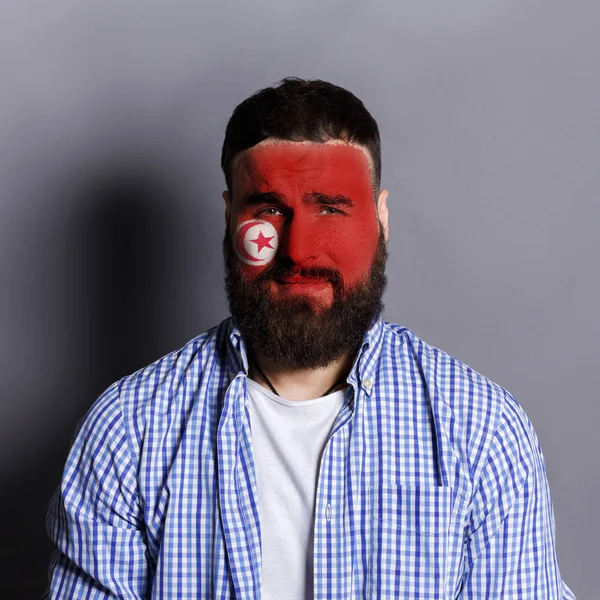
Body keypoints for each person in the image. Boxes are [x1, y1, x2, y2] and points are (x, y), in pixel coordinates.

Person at [44, 77, 576, 599]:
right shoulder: (128, 431)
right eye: (270, 209)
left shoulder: (482, 432)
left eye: (331, 208)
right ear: (229, 216)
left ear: (381, 218)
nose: (299, 250)